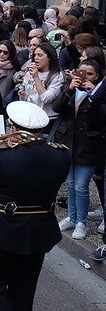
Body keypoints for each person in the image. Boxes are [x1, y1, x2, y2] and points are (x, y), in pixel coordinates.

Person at [0, 101, 70, 310]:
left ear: (13, 128)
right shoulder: (62, 155)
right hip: (38, 232)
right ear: (41, 130)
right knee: (24, 290)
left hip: (1, 229)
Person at [54, 59, 106, 240]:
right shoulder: (70, 88)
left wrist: (93, 95)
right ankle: (71, 216)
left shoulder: (99, 94)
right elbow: (57, 107)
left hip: (89, 147)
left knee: (81, 186)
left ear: (97, 76)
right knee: (70, 183)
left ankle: (81, 222)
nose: (84, 77)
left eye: (90, 74)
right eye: (81, 72)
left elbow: (101, 120)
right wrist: (69, 89)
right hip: (69, 144)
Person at [16, 42, 64, 132]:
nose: (36, 58)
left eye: (40, 55)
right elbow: (28, 95)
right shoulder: (29, 72)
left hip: (47, 119)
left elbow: (46, 98)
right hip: (29, 116)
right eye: (35, 55)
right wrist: (24, 96)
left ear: (49, 57)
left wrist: (36, 78)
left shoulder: (57, 75)